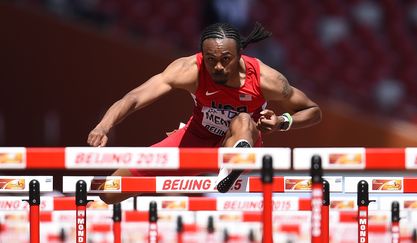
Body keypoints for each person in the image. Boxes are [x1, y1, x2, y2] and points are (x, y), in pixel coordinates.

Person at [87, 22, 321, 204]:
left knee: (243, 120)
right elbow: (135, 96)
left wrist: (282, 121)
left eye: (225, 60)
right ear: (202, 56)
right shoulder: (189, 70)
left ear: (240, 55)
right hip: (195, 139)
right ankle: (222, 168)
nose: (218, 67)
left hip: (239, 140)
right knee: (108, 192)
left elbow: (313, 110)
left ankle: (232, 164)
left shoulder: (266, 79)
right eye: (210, 60)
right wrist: (104, 125)